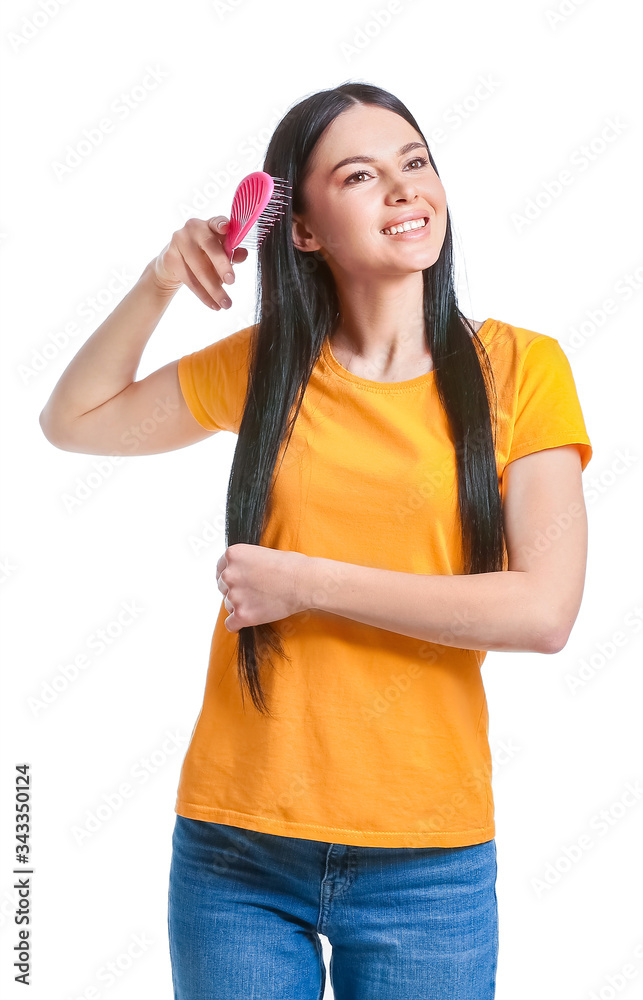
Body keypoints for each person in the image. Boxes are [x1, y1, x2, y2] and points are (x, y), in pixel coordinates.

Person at [40, 82, 593, 999]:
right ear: (302, 229)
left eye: (415, 163)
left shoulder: (520, 369)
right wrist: (159, 283)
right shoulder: (267, 365)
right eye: (361, 175)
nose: (404, 190)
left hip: (428, 860)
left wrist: (305, 582)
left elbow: (542, 611)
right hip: (237, 851)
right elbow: (77, 421)